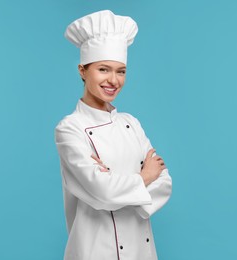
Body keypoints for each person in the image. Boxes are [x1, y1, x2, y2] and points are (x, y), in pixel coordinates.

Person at [55, 10, 172, 260]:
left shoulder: (131, 123)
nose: (113, 80)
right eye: (104, 69)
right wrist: (143, 177)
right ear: (82, 70)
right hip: (94, 251)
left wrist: (114, 182)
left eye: (121, 71)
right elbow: (101, 191)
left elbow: (164, 182)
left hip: (142, 250)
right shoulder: (69, 129)